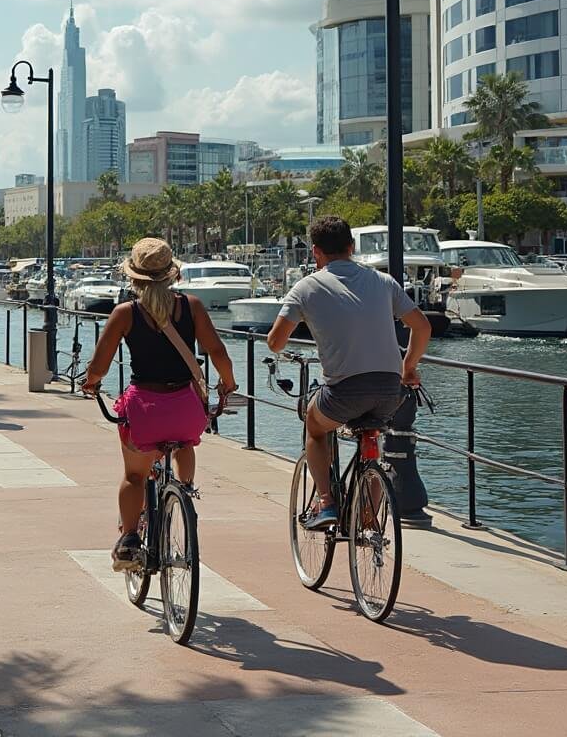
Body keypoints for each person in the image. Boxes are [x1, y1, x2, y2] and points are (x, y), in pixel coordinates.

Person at [80, 238, 237, 572]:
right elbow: (218, 352)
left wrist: (91, 384)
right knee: (184, 442)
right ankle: (184, 491)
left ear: (134, 278)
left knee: (134, 476)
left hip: (145, 410)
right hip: (186, 409)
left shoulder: (125, 313)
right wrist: (228, 382)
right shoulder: (191, 306)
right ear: (172, 274)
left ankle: (130, 539)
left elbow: (99, 365)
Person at [267, 216, 432, 530]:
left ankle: (326, 502)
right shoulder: (383, 281)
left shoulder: (306, 287)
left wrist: (308, 318)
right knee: (371, 438)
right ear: (351, 247)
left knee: (314, 426)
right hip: (389, 389)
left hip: (344, 391)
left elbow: (275, 342)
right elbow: (422, 326)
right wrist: (407, 368)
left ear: (315, 252)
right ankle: (369, 520)